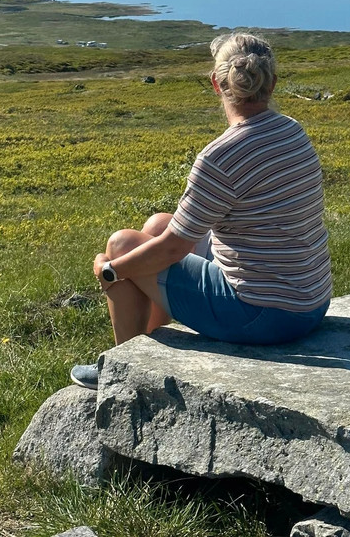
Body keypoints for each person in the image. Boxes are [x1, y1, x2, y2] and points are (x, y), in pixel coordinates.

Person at [70, 32, 332, 389]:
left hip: (263, 315)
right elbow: (174, 235)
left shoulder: (220, 157)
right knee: (159, 223)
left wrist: (112, 272)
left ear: (216, 83)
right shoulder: (291, 131)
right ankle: (153, 347)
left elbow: (173, 250)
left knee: (121, 246)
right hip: (310, 303)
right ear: (272, 84)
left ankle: (122, 372)